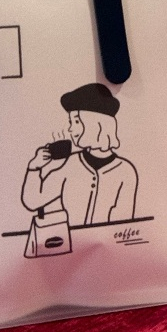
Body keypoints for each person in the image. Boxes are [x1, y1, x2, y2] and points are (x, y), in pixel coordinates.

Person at [22, 83, 138, 226]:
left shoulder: (125, 171)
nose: (70, 129)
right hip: (71, 239)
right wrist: (34, 167)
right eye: (70, 122)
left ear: (95, 123)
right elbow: (34, 201)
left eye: (76, 121)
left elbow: (124, 224)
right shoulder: (71, 163)